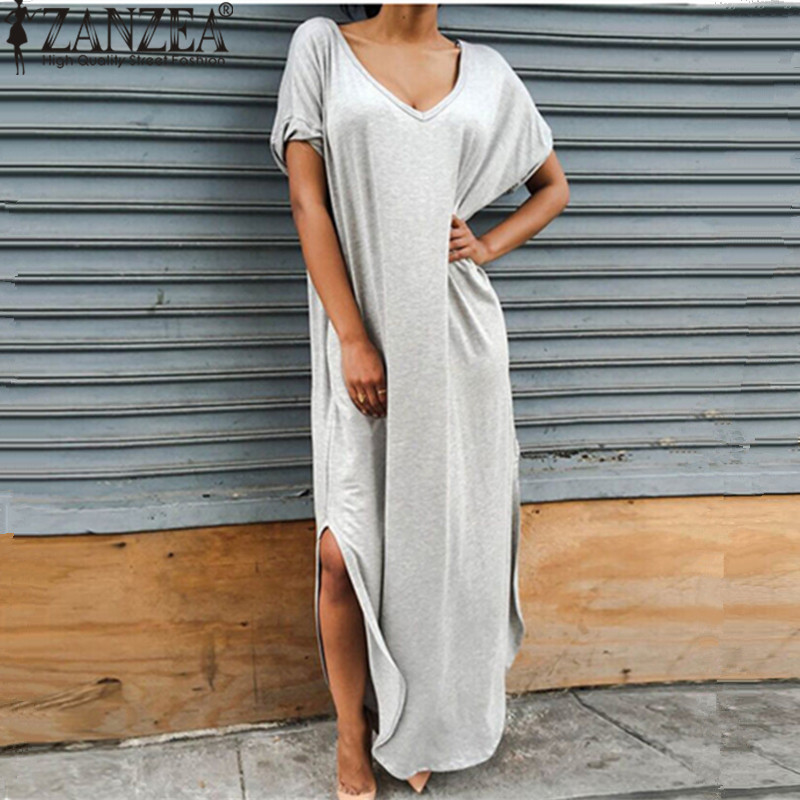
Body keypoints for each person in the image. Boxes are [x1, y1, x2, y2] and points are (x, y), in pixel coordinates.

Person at [269, 5, 569, 798]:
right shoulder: (321, 48)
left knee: (439, 554)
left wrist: (487, 243)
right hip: (364, 347)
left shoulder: (488, 72)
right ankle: (351, 731)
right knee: (342, 554)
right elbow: (308, 204)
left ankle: (423, 719)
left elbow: (553, 187)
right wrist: (352, 337)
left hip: (460, 350)